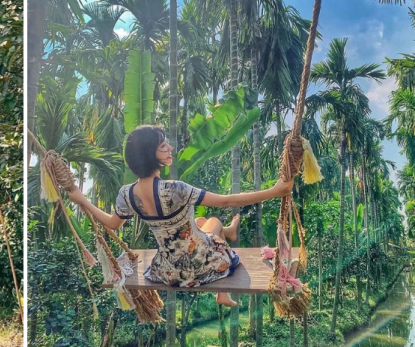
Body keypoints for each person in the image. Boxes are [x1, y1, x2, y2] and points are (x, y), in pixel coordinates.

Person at [68, 124, 293, 307]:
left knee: (198, 223)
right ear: (150, 154)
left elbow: (112, 223)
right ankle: (226, 237)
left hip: (166, 271)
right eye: (163, 146)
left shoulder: (126, 194)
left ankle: (227, 233)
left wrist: (82, 200)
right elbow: (227, 201)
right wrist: (275, 191)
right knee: (213, 221)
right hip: (200, 267)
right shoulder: (175, 189)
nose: (170, 149)